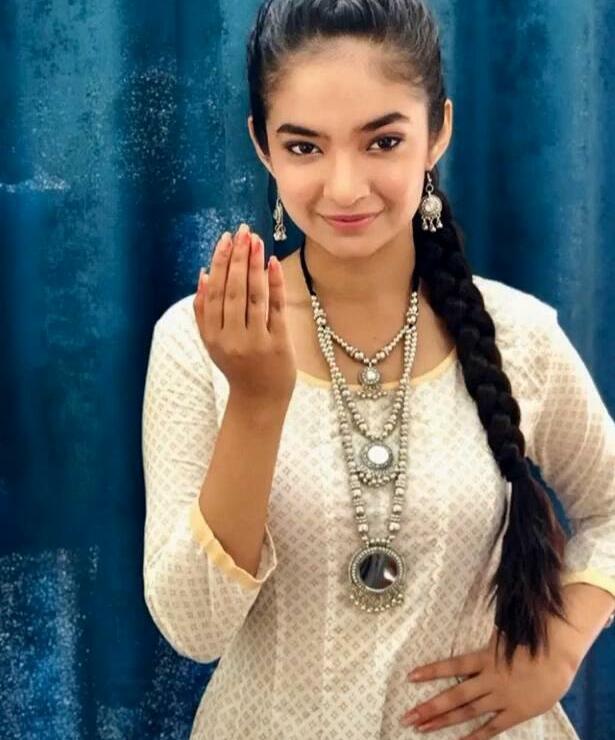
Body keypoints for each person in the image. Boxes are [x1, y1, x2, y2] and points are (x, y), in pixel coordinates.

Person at [141, 1, 615, 737]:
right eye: (304, 147)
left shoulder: (518, 335)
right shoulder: (198, 341)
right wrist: (256, 403)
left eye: (383, 141)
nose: (344, 187)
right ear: (262, 146)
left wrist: (559, 649)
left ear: (438, 132)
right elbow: (193, 629)